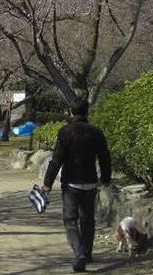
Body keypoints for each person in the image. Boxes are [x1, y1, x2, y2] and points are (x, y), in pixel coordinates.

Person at [42, 98, 112, 273]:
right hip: (90, 182)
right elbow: (105, 157)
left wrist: (47, 183)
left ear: (70, 111)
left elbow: (56, 159)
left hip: (71, 183)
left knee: (70, 219)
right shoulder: (96, 132)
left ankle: (79, 252)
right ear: (87, 112)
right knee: (88, 219)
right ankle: (86, 254)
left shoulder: (66, 131)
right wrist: (105, 178)